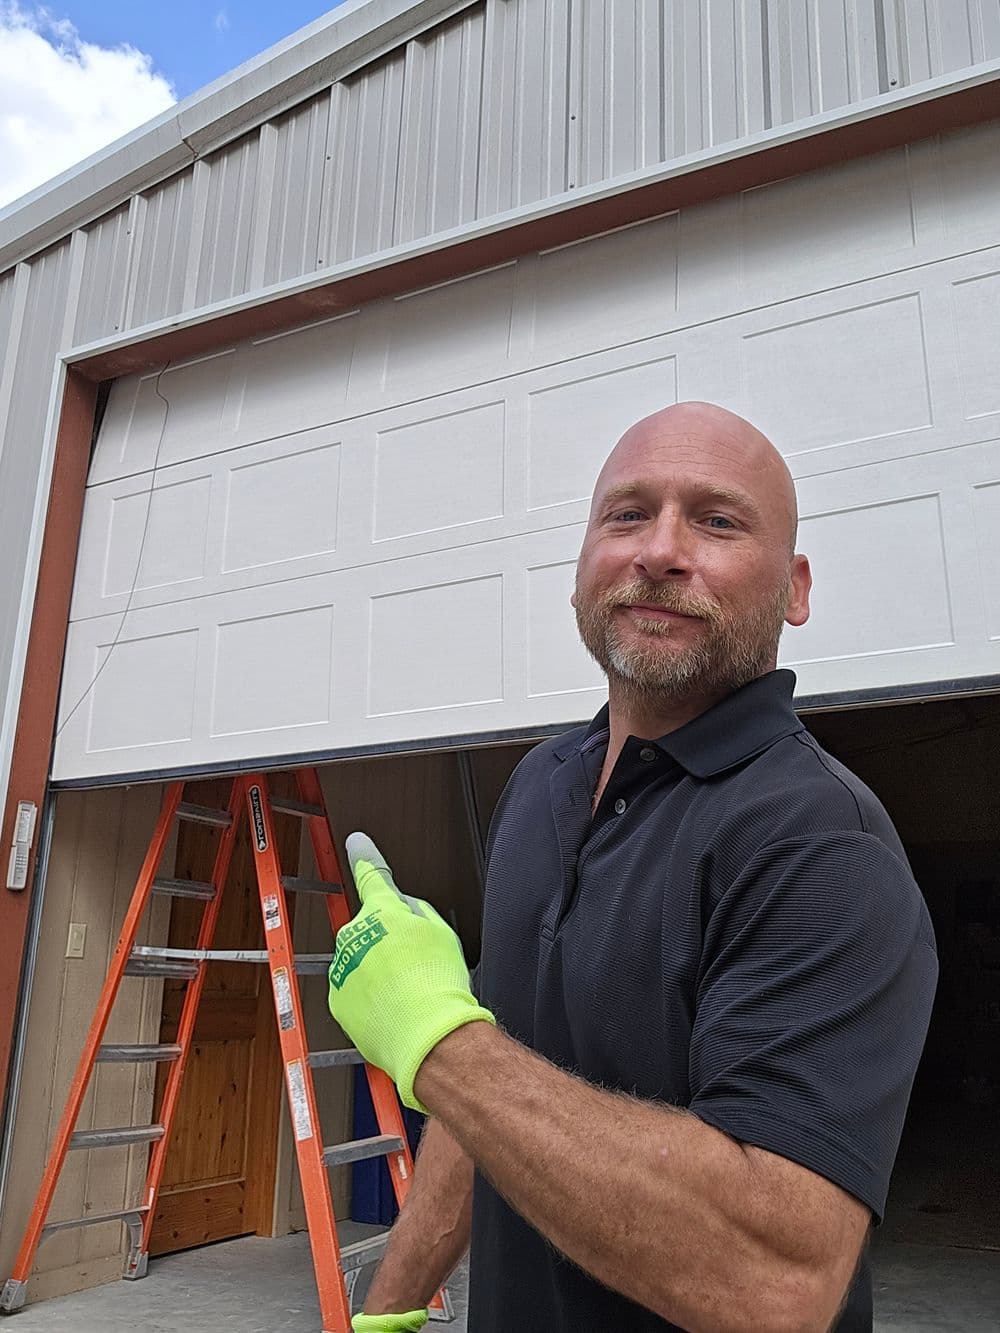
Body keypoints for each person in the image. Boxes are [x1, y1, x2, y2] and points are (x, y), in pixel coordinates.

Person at [328, 402, 938, 1332]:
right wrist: (388, 1310)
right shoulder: (540, 784)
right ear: (582, 566)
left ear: (795, 588)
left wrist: (436, 1042)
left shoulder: (822, 843)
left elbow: (772, 1285)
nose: (660, 550)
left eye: (718, 520)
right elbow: (497, 1094)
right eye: (627, 515)